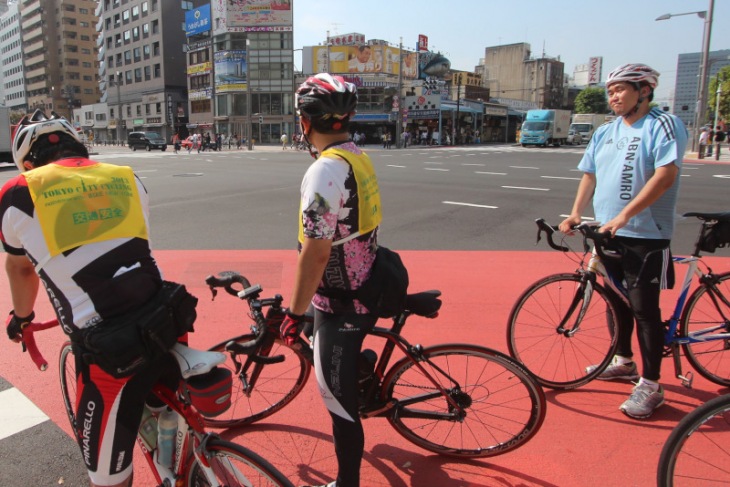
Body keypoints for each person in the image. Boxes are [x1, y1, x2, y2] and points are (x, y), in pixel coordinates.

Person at [1, 110, 189, 486]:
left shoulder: (18, 193)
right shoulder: (127, 178)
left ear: (27, 162)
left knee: (108, 480)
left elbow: (21, 268)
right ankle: (187, 459)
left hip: (111, 350)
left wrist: (22, 318)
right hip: (168, 317)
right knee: (170, 404)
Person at [559, 64, 688, 419]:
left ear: (644, 90)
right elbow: (590, 174)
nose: (613, 96)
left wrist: (625, 216)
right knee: (615, 301)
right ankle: (624, 360)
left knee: (644, 309)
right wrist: (575, 213)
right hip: (608, 230)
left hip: (645, 233)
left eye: (621, 89)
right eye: (610, 91)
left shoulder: (663, 124)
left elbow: (665, 175)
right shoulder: (605, 131)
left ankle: (651, 384)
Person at [279, 74, 381, 487]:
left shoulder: (324, 171)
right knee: (338, 370)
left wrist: (293, 311)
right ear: (349, 118)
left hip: (343, 299)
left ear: (305, 123)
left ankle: (347, 483)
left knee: (339, 406)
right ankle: (360, 365)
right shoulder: (357, 155)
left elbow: (317, 251)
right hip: (366, 279)